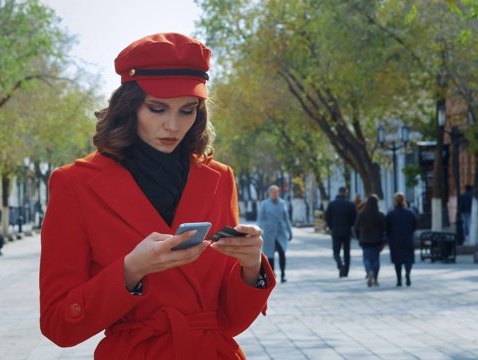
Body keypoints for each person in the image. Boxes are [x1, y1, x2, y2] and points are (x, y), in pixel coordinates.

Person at [39, 33, 275, 359]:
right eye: (158, 108)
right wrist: (131, 270)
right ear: (130, 106)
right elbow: (58, 325)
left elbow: (230, 321)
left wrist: (251, 266)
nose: (172, 126)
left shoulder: (219, 178)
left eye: (187, 110)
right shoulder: (74, 184)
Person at [257, 185, 292, 283]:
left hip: (280, 232)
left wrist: (290, 231)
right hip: (269, 232)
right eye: (273, 192)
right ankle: (272, 275)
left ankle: (283, 274)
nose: (275, 194)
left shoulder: (282, 203)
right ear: (269, 193)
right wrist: (259, 231)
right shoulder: (264, 204)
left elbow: (286, 218)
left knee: (282, 252)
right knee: (270, 255)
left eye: (276, 192)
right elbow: (260, 219)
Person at [324, 187, 358, 278]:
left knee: (336, 252)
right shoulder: (350, 204)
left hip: (335, 231)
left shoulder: (332, 204)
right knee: (347, 253)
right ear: (346, 193)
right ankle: (345, 272)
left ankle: (340, 264)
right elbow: (354, 218)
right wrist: (350, 226)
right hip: (347, 231)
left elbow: (327, 217)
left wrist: (331, 227)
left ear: (338, 192)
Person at [386, 192, 418, 287]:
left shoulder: (391, 214)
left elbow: (386, 227)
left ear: (394, 202)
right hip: (407, 239)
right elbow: (415, 225)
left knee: (397, 261)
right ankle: (408, 273)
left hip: (395, 240)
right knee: (408, 259)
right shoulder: (410, 213)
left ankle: (399, 280)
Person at [354, 195, 386, 287]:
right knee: (376, 260)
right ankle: (375, 279)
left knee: (366, 259)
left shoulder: (361, 214)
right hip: (377, 240)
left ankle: (369, 271)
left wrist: (358, 237)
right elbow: (384, 228)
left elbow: (356, 227)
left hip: (364, 240)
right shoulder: (380, 215)